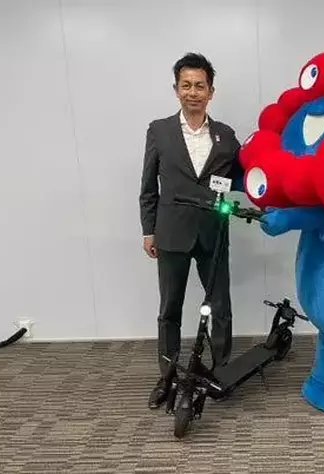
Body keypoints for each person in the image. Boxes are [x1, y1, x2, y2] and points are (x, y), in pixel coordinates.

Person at [139, 52, 244, 409]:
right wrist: (148, 231)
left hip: (213, 232)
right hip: (171, 232)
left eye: (200, 86)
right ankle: (167, 375)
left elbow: (242, 177)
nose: (193, 92)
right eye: (186, 85)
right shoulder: (159, 131)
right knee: (170, 308)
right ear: (176, 90)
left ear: (211, 92)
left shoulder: (226, 136)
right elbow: (148, 187)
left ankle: (221, 370)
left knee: (220, 306)